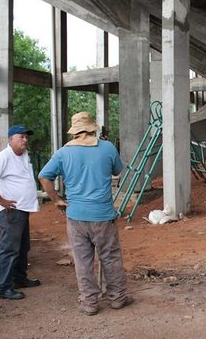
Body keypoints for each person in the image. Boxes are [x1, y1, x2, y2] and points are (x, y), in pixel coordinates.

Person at [38, 112, 132, 316]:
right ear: (92, 128)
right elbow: (117, 170)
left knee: (82, 260)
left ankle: (89, 302)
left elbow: (44, 176)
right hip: (103, 215)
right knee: (110, 256)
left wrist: (56, 200)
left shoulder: (63, 153)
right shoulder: (106, 147)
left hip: (76, 215)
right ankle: (117, 298)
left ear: (74, 132)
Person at [0, 125, 41, 300]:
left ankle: (19, 278)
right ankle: (3, 287)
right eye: (21, 137)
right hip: (12, 211)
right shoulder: (4, 157)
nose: (25, 140)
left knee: (22, 247)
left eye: (26, 137)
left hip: (23, 208)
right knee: (9, 249)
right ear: (10, 139)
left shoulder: (23, 155)